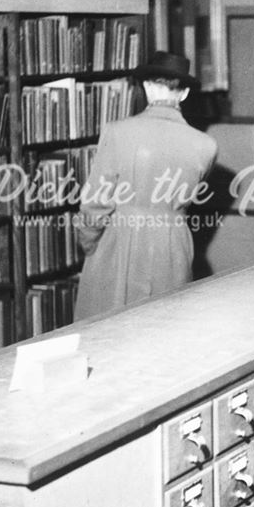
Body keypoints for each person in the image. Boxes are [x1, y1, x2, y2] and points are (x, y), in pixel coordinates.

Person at [74, 51, 218, 319]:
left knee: (109, 330)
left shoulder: (117, 132)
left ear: (147, 87)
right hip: (172, 244)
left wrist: (89, 243)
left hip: (120, 239)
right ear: (184, 93)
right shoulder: (206, 145)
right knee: (165, 330)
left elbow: (96, 201)